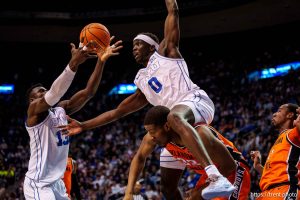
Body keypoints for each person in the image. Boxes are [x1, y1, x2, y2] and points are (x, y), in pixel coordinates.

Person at [60, 0, 235, 198]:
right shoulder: (142, 81)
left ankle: (215, 177)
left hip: (195, 102)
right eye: (133, 45)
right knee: (167, 188)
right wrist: (84, 126)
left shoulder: (166, 52)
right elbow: (117, 112)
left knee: (174, 117)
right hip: (174, 126)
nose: (133, 48)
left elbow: (173, 10)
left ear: (152, 47)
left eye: (138, 44)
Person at [23, 38, 123, 200]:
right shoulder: (33, 112)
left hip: (57, 182)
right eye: (40, 92)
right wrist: (73, 63)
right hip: (38, 184)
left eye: (45, 90)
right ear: (32, 101)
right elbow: (54, 93)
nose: (45, 92)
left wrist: (101, 61)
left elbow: (88, 93)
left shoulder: (61, 109)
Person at [123, 106, 251, 200]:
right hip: (212, 176)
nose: (151, 137)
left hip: (235, 170)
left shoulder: (200, 134)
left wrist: (201, 190)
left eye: (152, 131)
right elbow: (139, 157)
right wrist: (129, 193)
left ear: (167, 127)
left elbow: (229, 166)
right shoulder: (158, 138)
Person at [250, 103, 300, 199]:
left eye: (279, 110)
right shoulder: (280, 140)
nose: (274, 114)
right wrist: (258, 166)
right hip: (268, 192)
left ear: (290, 115)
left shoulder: (293, 134)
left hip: (285, 189)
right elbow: (275, 174)